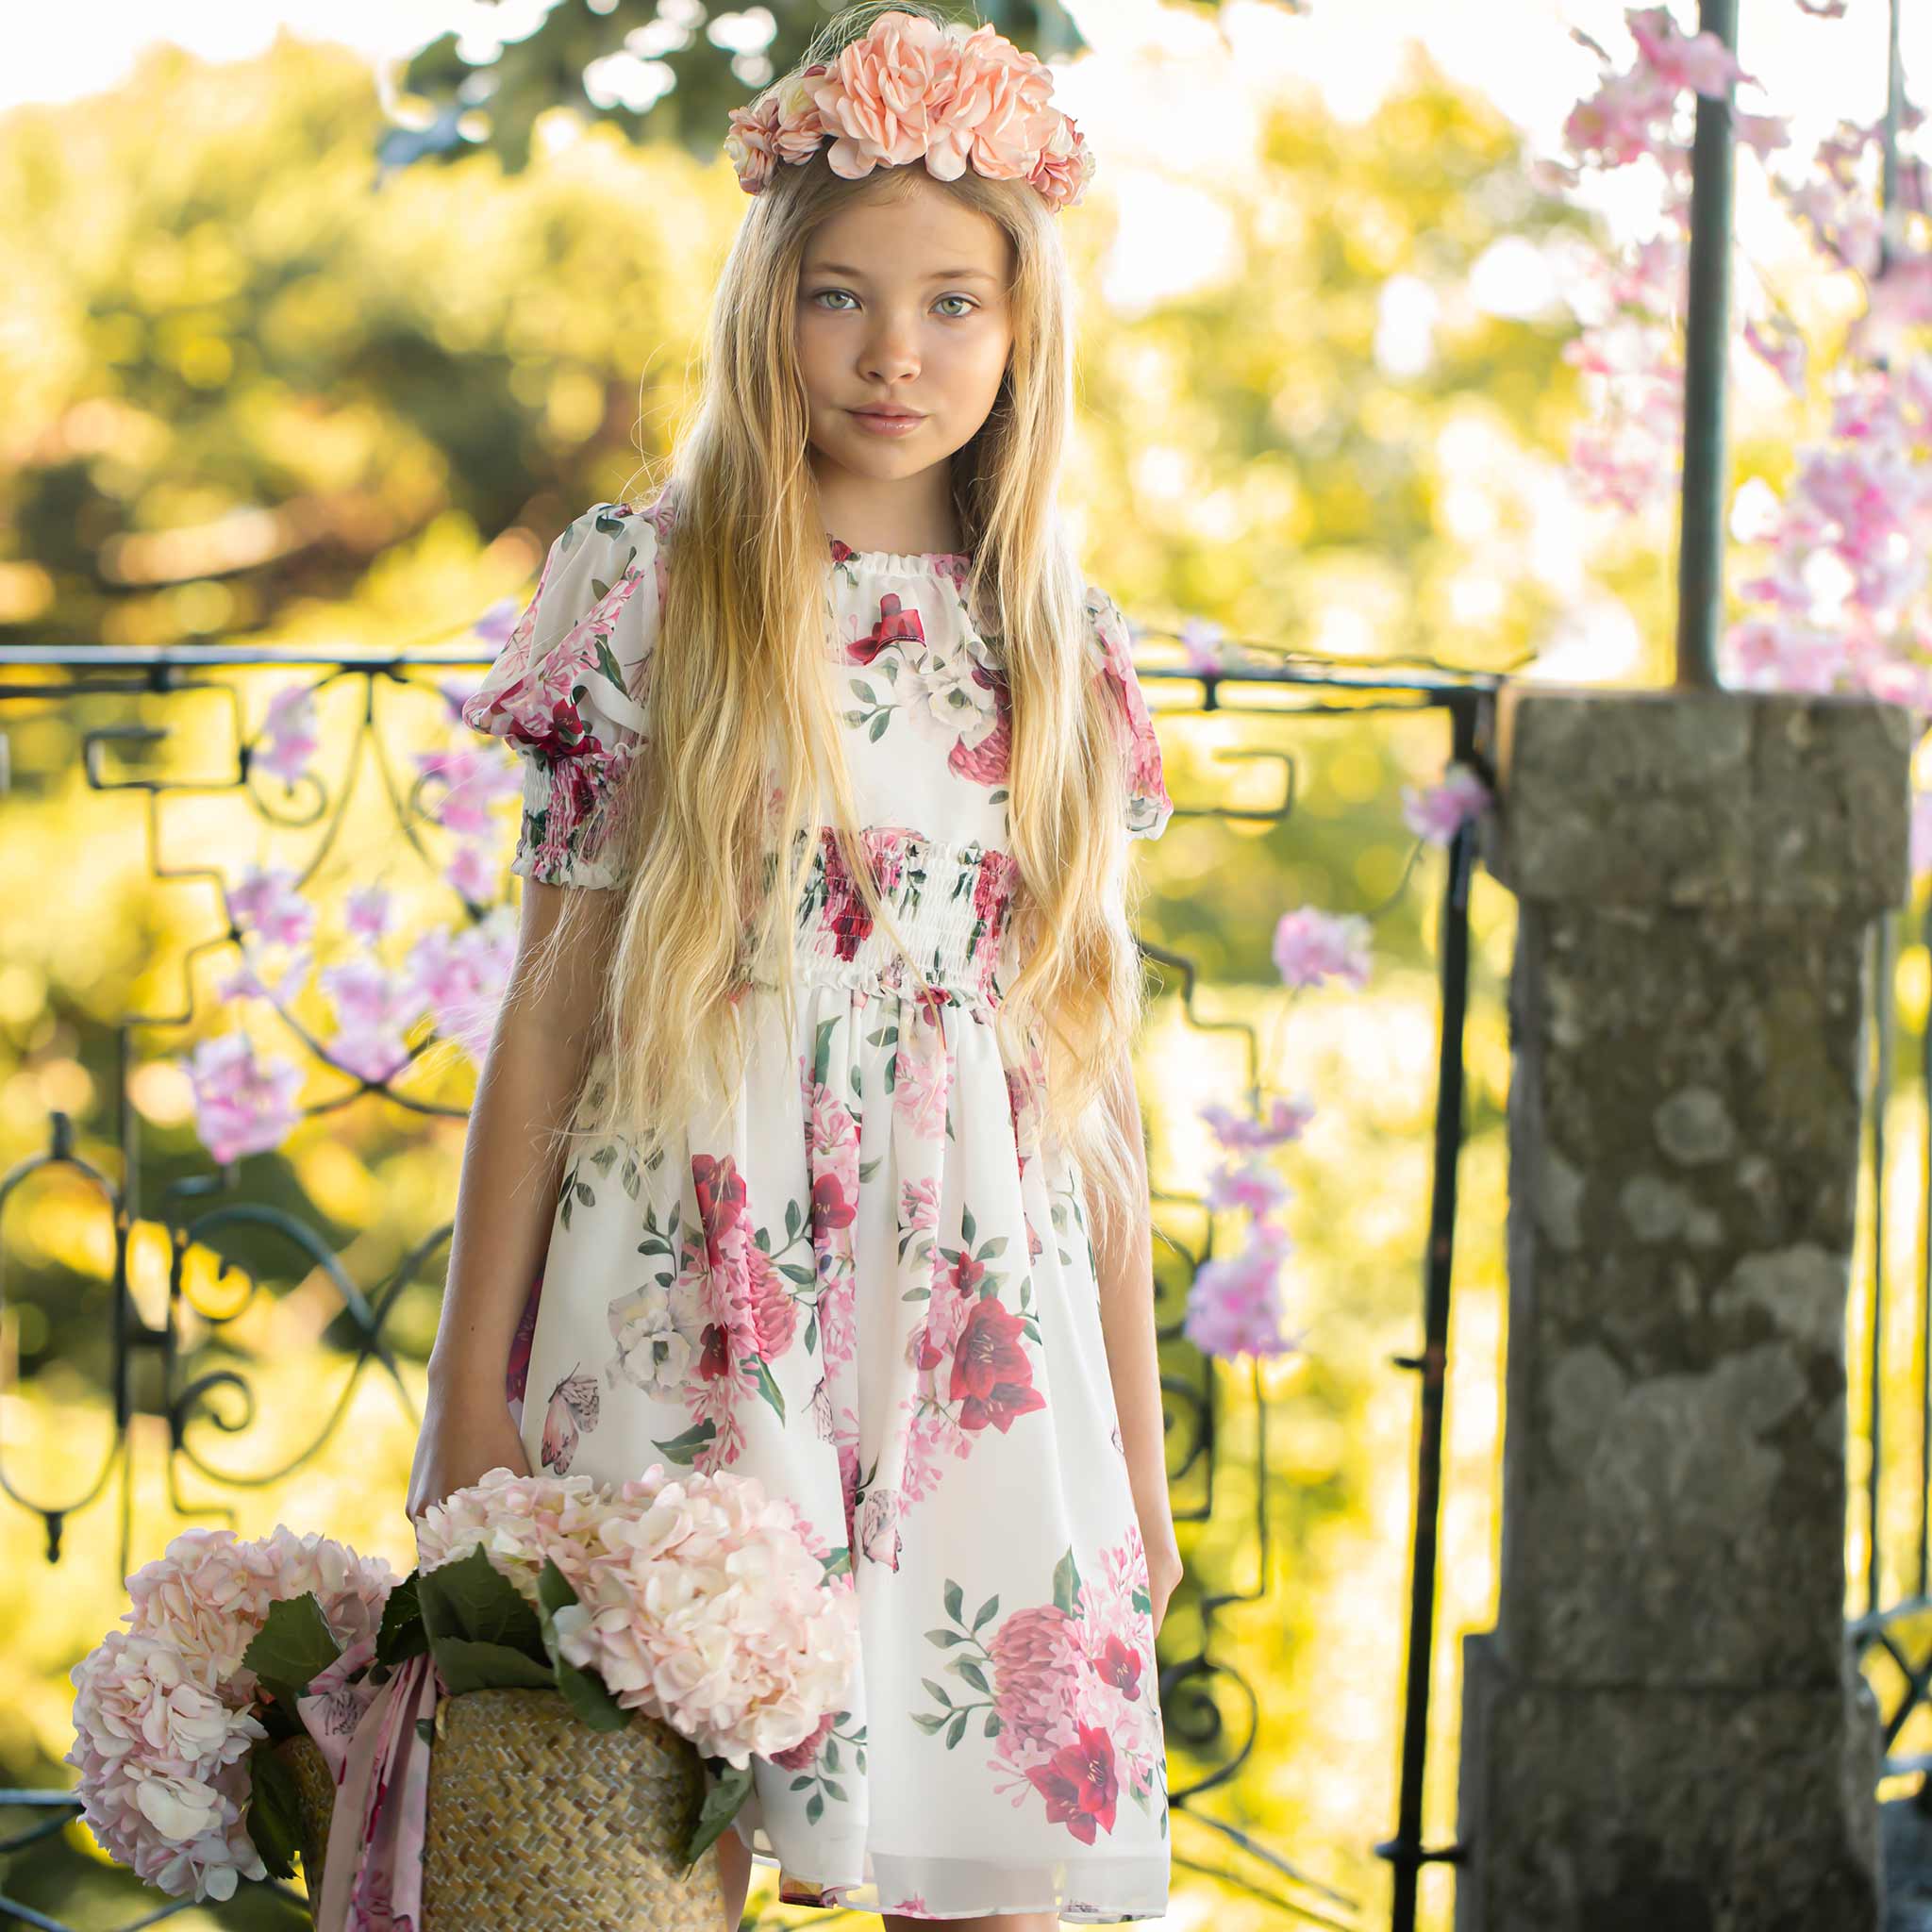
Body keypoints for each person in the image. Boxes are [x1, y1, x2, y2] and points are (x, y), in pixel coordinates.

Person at [407, 6, 1181, 1926]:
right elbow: (555, 1009)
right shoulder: (657, 590)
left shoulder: (1054, 647)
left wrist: (1136, 1464)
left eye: (950, 305)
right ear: (771, 304)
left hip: (977, 1342)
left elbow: (1090, 1102)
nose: (895, 354)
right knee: (617, 1863)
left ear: (1023, 330)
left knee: (993, 1876)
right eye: (840, 296)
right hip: (685, 1291)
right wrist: (462, 1385)